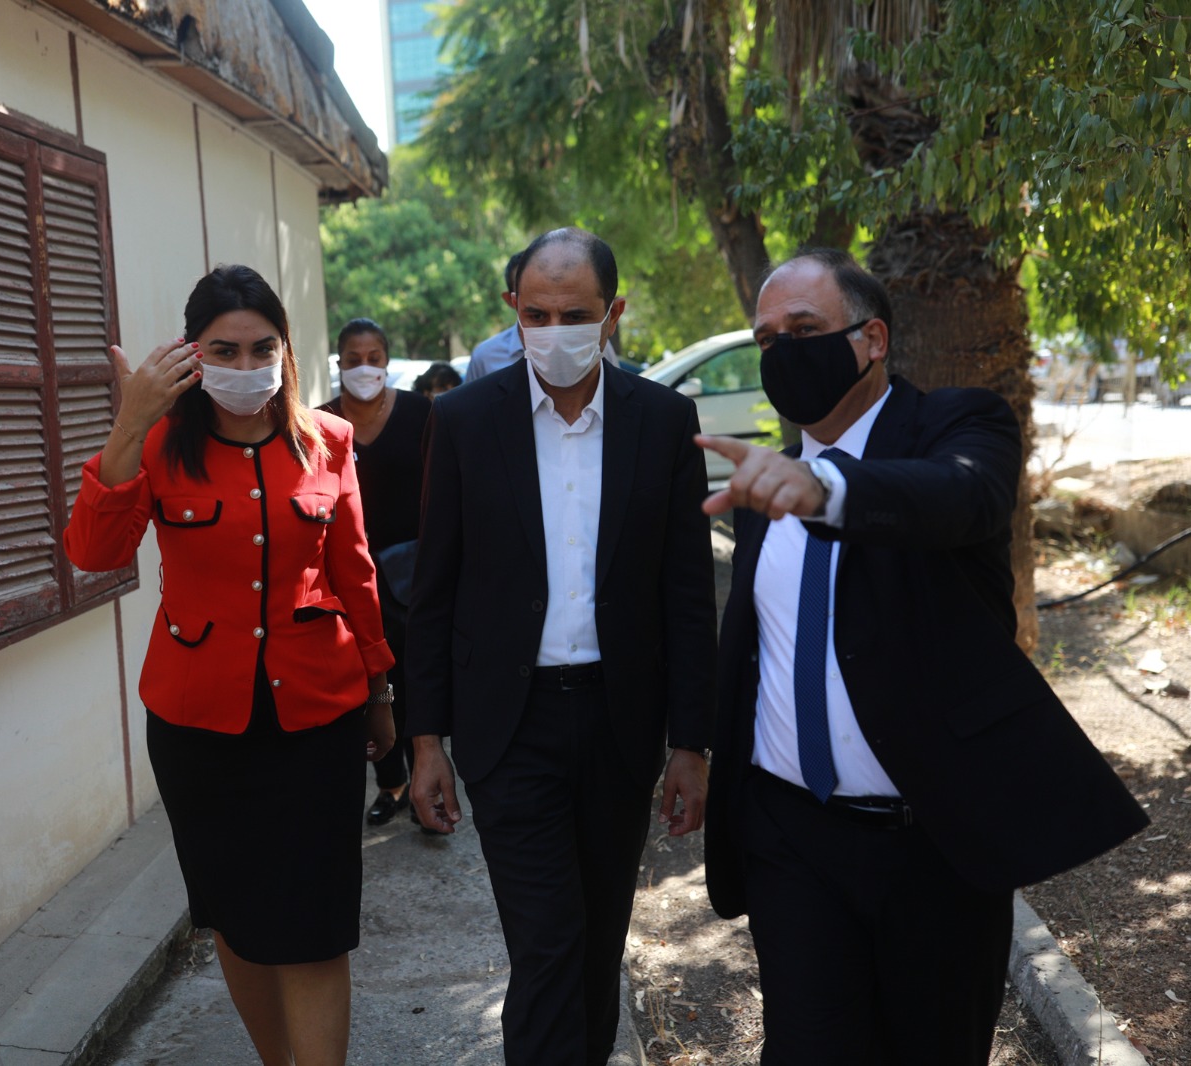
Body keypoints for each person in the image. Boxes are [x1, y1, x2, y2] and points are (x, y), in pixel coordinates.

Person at [698, 248, 1149, 1065]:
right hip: (790, 839)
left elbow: (961, 496)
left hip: (932, 845)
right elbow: (755, 647)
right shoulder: (766, 482)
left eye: (803, 329)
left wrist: (831, 490)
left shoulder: (958, 425)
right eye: (766, 339)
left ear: (871, 339)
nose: (782, 352)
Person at [63, 265, 396, 1066]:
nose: (246, 367)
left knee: (315, 928)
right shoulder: (157, 445)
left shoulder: (329, 440)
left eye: (262, 349)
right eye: (224, 351)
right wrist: (127, 424)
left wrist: (382, 691)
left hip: (317, 715)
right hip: (197, 725)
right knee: (237, 920)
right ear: (192, 355)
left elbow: (355, 574)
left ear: (285, 351)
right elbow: (93, 553)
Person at [406, 227, 716, 1065]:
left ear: (613, 315)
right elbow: (433, 593)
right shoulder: (465, 421)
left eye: (574, 315)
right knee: (548, 944)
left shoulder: (663, 421)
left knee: (596, 944)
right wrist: (425, 740)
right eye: (535, 315)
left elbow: (688, 596)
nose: (553, 332)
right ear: (513, 310)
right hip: (509, 727)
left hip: (621, 724)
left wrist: (691, 744)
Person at [319, 318, 432, 826]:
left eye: (374, 358)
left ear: (386, 361)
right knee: (372, 682)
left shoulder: (421, 414)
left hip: (414, 574)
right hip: (348, 576)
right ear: (339, 363)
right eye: (353, 359)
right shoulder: (319, 422)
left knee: (415, 677)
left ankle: (427, 776)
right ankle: (391, 783)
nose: (364, 368)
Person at [466, 251, 620, 382]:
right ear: (512, 301)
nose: (554, 333)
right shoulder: (485, 357)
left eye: (574, 317)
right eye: (538, 316)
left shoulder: (596, 346)